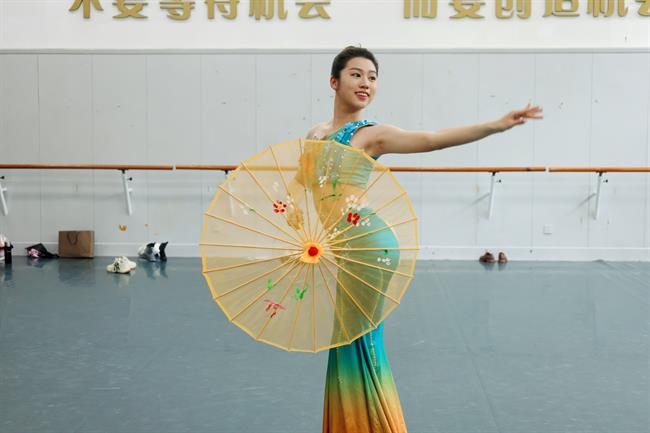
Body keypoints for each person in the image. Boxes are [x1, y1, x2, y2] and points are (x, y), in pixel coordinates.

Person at [287, 45, 543, 433]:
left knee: (358, 341)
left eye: (372, 77)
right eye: (356, 74)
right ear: (334, 82)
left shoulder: (370, 135)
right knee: (348, 340)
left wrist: (497, 125)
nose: (366, 83)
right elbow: (303, 181)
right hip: (342, 246)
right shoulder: (316, 134)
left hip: (369, 245)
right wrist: (293, 208)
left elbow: (431, 139)